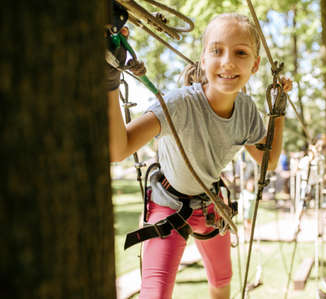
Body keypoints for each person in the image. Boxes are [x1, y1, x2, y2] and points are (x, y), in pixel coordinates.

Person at [106, 13, 292, 299]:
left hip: (210, 205)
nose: (228, 62)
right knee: (155, 295)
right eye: (216, 51)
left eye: (240, 53)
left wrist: (277, 113)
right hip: (168, 204)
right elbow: (119, 150)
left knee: (222, 283)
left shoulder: (246, 112)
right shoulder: (179, 105)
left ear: (255, 65)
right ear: (203, 60)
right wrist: (110, 81)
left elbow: (265, 159)